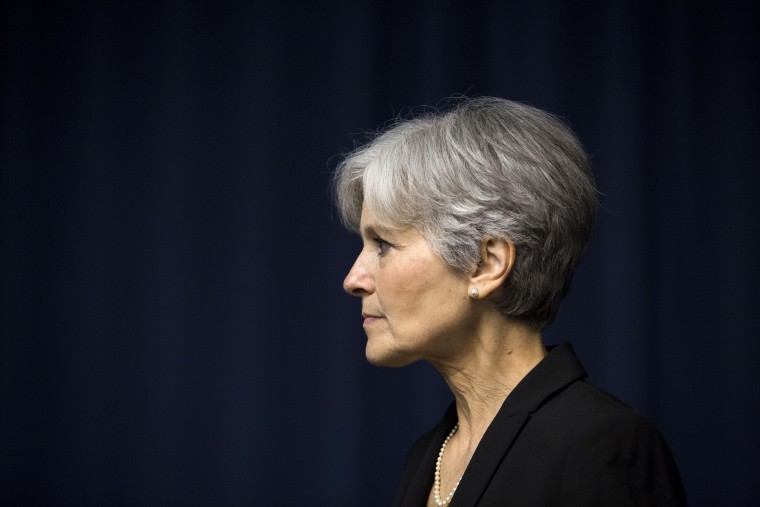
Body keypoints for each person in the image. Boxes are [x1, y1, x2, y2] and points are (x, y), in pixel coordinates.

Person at [334, 97, 686, 506]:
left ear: (486, 264)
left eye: (383, 244)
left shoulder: (601, 445)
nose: (353, 280)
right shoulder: (425, 457)